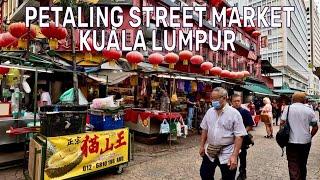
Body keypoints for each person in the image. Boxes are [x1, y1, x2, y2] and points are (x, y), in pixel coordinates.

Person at [199, 87, 247, 180]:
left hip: (227, 153)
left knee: (228, 177)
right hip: (210, 151)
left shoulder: (234, 114)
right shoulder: (210, 112)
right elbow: (204, 129)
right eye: (212, 99)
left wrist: (234, 156)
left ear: (224, 98)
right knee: (205, 175)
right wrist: (202, 146)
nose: (213, 101)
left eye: (216, 99)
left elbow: (239, 136)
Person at [280, 92, 318, 180]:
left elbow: (282, 123)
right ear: (304, 100)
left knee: (293, 164)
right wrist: (310, 136)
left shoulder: (287, 108)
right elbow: (315, 127)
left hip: (291, 141)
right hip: (305, 142)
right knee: (303, 164)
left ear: (292, 100)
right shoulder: (309, 110)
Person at [231, 94, 255, 180]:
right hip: (230, 139)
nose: (237, 103)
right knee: (231, 156)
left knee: (242, 156)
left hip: (242, 139)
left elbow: (250, 125)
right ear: (231, 102)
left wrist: (242, 133)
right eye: (235, 101)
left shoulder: (245, 112)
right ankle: (229, 173)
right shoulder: (228, 112)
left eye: (238, 101)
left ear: (241, 101)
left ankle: (242, 173)